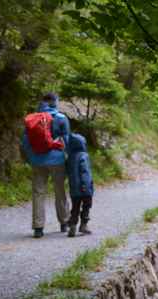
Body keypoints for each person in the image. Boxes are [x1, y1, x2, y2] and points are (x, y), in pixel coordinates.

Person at [21, 92, 71, 238]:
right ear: (55, 101)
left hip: (37, 161)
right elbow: (67, 141)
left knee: (38, 193)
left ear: (42, 102)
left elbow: (25, 142)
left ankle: (38, 228)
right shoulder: (61, 118)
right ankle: (64, 222)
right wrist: (68, 158)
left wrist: (31, 158)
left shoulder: (32, 119)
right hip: (57, 160)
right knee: (59, 191)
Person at [65, 133, 93, 237]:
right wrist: (86, 185)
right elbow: (84, 172)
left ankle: (72, 226)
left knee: (75, 207)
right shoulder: (83, 156)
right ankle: (84, 225)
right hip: (84, 188)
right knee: (86, 206)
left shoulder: (70, 158)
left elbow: (68, 172)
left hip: (74, 189)